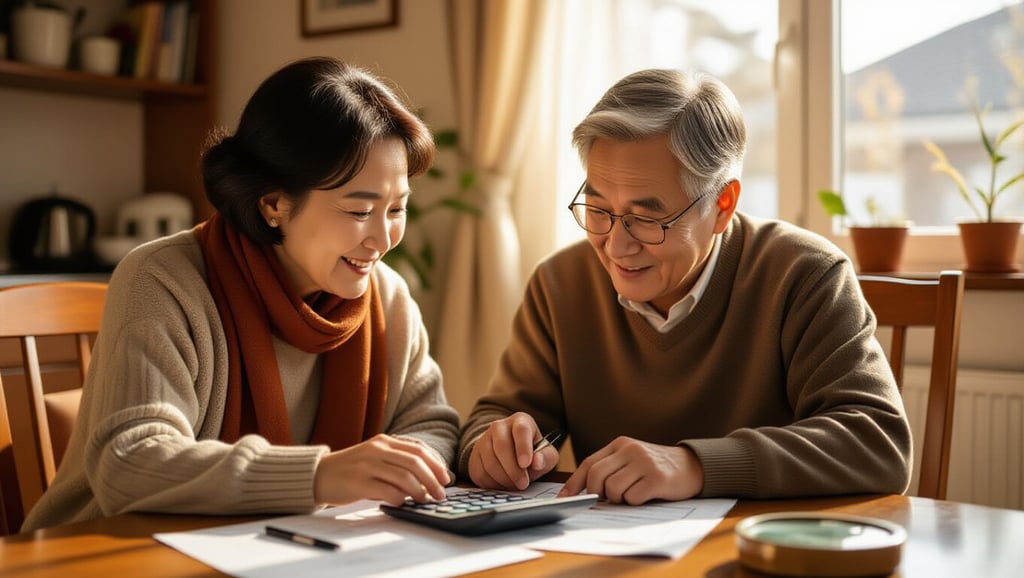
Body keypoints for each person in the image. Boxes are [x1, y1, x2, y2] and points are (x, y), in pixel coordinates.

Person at [23, 57, 459, 531]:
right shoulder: (162, 280)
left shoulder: (387, 298)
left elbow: (432, 425)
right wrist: (318, 476)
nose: (383, 239)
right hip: (103, 550)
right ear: (274, 204)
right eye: (359, 211)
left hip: (276, 551)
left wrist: (410, 466)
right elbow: (131, 462)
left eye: (396, 209)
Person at [458, 69, 912, 505]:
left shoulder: (805, 275)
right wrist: (494, 447)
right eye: (598, 210)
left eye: (645, 217)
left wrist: (694, 466)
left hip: (761, 544)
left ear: (722, 206)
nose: (615, 245)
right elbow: (495, 418)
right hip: (611, 546)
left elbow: (878, 442)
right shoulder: (559, 284)